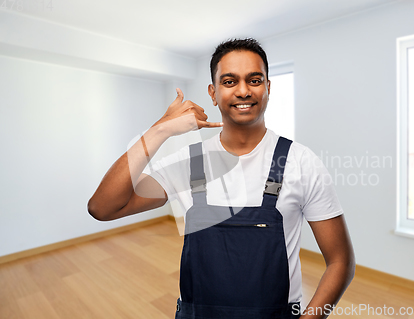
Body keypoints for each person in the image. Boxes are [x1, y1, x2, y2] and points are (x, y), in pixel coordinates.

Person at [88, 38, 355, 319]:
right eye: (229, 81)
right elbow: (103, 208)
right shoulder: (189, 163)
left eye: (254, 80)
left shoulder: (302, 162)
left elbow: (340, 262)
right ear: (213, 93)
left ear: (267, 88)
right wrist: (159, 130)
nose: (243, 91)